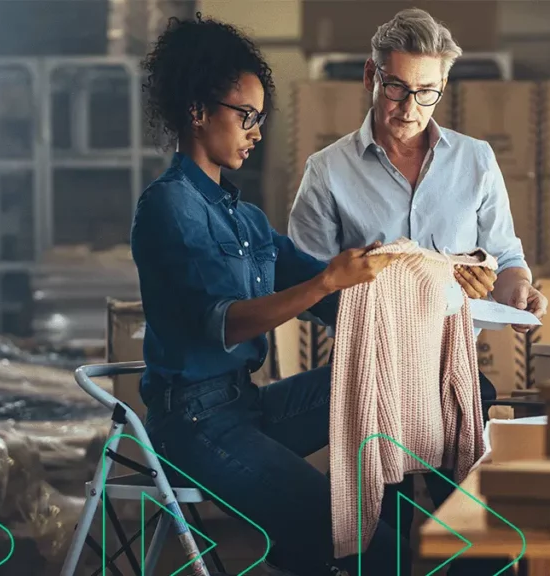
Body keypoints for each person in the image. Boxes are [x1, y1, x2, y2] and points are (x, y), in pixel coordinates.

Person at [132, 14, 411, 576]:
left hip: (247, 405)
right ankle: (325, 542)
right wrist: (326, 281)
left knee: (399, 386)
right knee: (369, 547)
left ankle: (311, 543)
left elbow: (331, 292)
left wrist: (408, 281)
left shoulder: (246, 218)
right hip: (194, 426)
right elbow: (227, 323)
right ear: (197, 111)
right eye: (247, 117)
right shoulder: (169, 207)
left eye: (261, 119)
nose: (257, 132)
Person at [287, 8, 548, 574]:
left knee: (478, 532)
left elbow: (505, 258)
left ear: (444, 88)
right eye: (396, 88)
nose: (409, 108)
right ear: (370, 77)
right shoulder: (327, 171)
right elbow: (303, 287)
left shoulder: (475, 160)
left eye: (426, 92)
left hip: (452, 374)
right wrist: (384, 288)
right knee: (384, 543)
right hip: (369, 381)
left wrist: (516, 289)